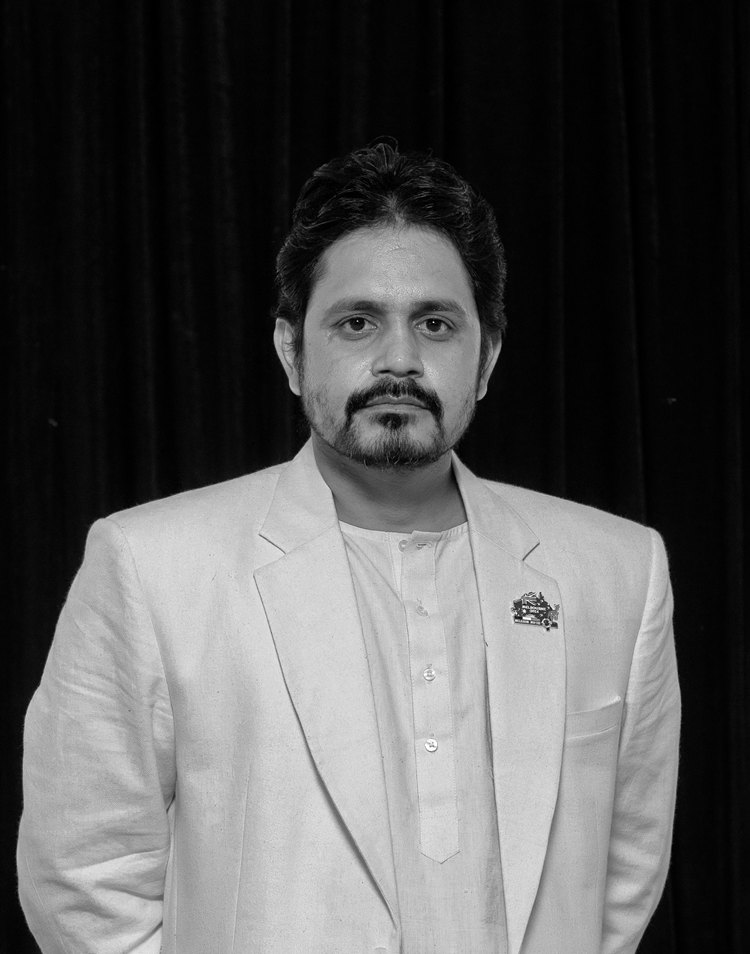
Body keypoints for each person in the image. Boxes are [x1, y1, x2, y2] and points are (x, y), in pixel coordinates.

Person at [17, 143, 680, 954]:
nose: (399, 360)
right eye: (357, 323)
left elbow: (624, 874)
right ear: (292, 352)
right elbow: (85, 877)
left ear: (486, 358)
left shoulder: (616, 573)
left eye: (435, 324)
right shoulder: (152, 567)